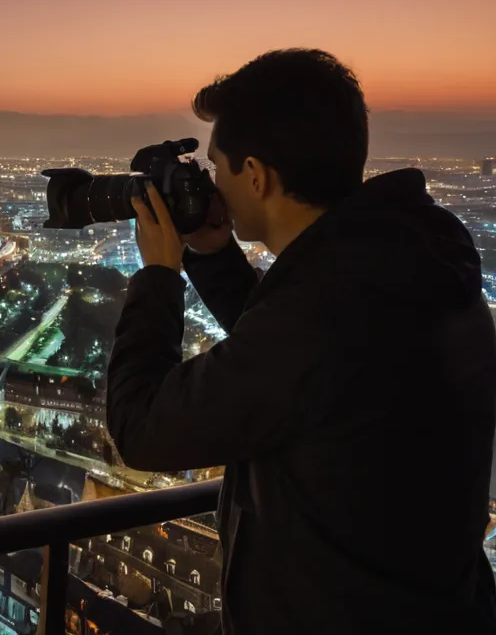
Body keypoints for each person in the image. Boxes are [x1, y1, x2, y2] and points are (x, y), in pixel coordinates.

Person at [106, 48, 496, 634]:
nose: (214, 186)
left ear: (257, 176)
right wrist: (212, 256)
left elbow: (139, 425)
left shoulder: (328, 311)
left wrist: (159, 276)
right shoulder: (409, 261)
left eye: (219, 168)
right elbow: (296, 365)